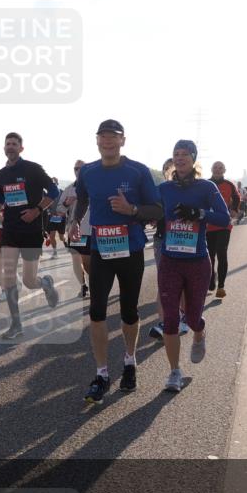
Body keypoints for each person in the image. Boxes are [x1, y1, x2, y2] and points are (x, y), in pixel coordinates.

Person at [70, 120, 159, 403]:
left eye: (113, 137)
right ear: (96, 141)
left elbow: (157, 209)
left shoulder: (138, 171)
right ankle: (102, 373)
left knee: (129, 311)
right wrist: (75, 220)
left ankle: (130, 361)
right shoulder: (88, 172)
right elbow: (82, 199)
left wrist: (131, 209)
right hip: (101, 250)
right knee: (96, 311)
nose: (107, 141)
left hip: (130, 249)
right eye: (102, 137)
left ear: (123, 141)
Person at [148, 140, 230, 393]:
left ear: (193, 159)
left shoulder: (205, 187)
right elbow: (149, 210)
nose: (180, 158)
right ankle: (174, 372)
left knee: (193, 318)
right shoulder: (164, 188)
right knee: (170, 320)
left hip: (197, 262)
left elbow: (225, 217)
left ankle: (199, 333)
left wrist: (199, 213)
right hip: (171, 260)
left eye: (185, 154)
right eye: (176, 154)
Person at [0, 133, 61, 340]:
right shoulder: (1, 175)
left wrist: (36, 210)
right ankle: (16, 324)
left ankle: (46, 284)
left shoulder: (32, 168)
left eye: (15, 144)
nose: (11, 147)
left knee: (29, 280)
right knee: (9, 277)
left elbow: (54, 190)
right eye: (8, 144)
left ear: (21, 148)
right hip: (10, 231)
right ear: (4, 148)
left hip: (32, 231)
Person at [148, 158, 190, 341]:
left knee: (182, 284)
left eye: (173, 167)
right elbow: (152, 213)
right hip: (162, 240)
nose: (171, 171)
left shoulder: (195, 190)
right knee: (164, 283)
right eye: (167, 168)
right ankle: (165, 323)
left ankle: (184, 317)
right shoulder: (160, 191)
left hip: (186, 240)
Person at [206, 161, 240, 298]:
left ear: (224, 170)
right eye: (215, 167)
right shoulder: (205, 184)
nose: (218, 169)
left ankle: (221, 286)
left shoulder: (229, 185)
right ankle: (210, 279)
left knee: (221, 252)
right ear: (211, 169)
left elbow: (237, 198)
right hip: (208, 225)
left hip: (224, 225)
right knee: (210, 256)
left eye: (220, 168)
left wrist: (234, 209)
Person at [57, 161, 90, 298]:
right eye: (76, 168)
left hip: (91, 230)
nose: (78, 171)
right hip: (74, 231)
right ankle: (83, 285)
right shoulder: (69, 189)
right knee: (76, 259)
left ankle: (96, 284)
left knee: (88, 263)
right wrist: (66, 203)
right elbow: (59, 210)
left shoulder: (94, 186)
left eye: (81, 168)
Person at [44, 177, 67, 259]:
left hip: (61, 217)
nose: (53, 184)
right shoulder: (48, 194)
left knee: (61, 237)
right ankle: (55, 253)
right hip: (52, 217)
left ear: (57, 183)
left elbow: (68, 205)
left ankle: (65, 242)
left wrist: (62, 212)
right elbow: (45, 206)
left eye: (55, 183)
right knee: (52, 236)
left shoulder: (63, 193)